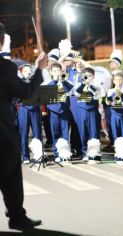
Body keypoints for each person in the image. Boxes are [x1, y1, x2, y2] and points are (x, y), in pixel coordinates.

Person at [0, 22, 47, 230]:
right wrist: (39, 70)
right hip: (2, 133)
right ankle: (17, 217)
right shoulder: (4, 67)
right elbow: (27, 94)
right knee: (10, 176)